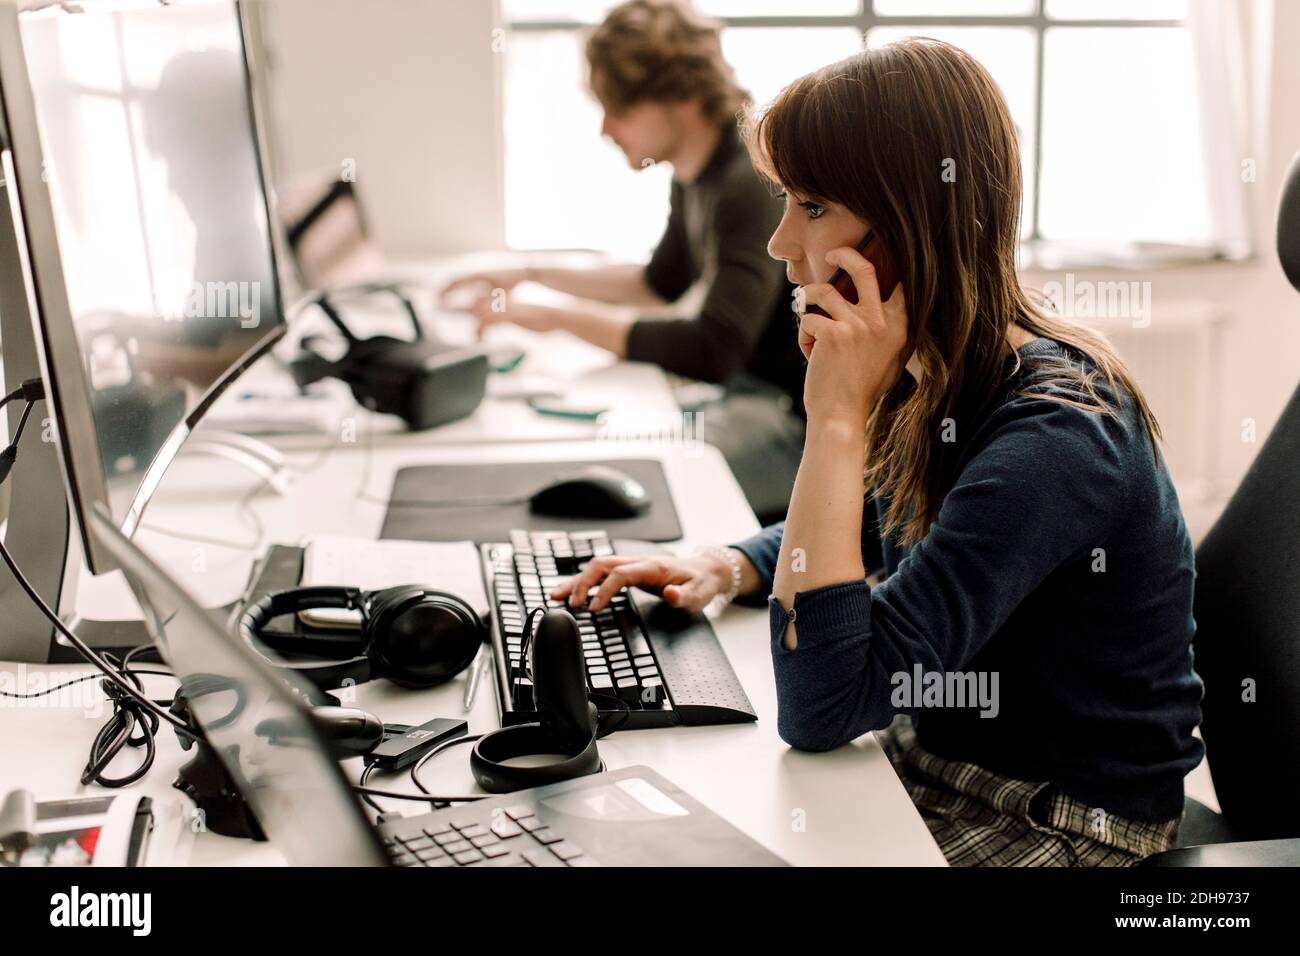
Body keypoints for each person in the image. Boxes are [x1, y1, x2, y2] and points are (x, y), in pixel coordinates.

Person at [549, 38, 1205, 867]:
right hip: (936, 757)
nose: (781, 243)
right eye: (786, 200)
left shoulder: (1056, 439)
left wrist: (834, 419)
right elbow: (879, 515)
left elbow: (822, 706)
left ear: (908, 225)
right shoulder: (944, 364)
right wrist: (728, 563)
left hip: (1060, 821)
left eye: (813, 206)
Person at [440, 0, 803, 523]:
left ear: (682, 98)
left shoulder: (747, 182)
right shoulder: (697, 171)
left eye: (620, 108)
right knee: (591, 446)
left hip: (790, 421)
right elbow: (659, 282)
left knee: (636, 475)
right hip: (744, 396)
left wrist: (554, 318)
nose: (606, 129)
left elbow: (713, 347)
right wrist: (529, 273)